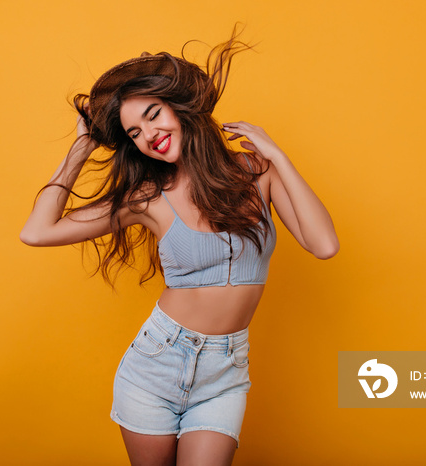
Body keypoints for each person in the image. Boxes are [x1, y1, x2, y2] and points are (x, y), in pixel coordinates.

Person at [20, 30, 339, 466]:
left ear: (180, 107)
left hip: (224, 373)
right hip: (157, 367)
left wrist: (279, 156)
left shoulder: (256, 171)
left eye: (154, 115)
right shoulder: (147, 198)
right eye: (135, 131)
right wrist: (81, 149)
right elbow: (37, 231)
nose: (149, 135)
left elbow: (323, 244)